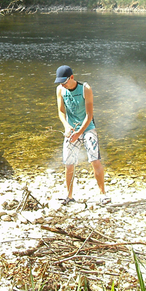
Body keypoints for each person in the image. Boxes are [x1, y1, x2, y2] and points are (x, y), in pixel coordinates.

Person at [54, 65, 109, 206]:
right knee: (69, 164)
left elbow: (89, 115)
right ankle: (69, 195)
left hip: (88, 128)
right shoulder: (60, 89)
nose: (62, 85)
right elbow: (61, 111)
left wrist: (79, 132)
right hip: (71, 129)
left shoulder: (85, 89)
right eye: (60, 82)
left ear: (71, 77)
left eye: (64, 82)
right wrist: (67, 126)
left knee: (95, 161)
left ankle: (103, 194)